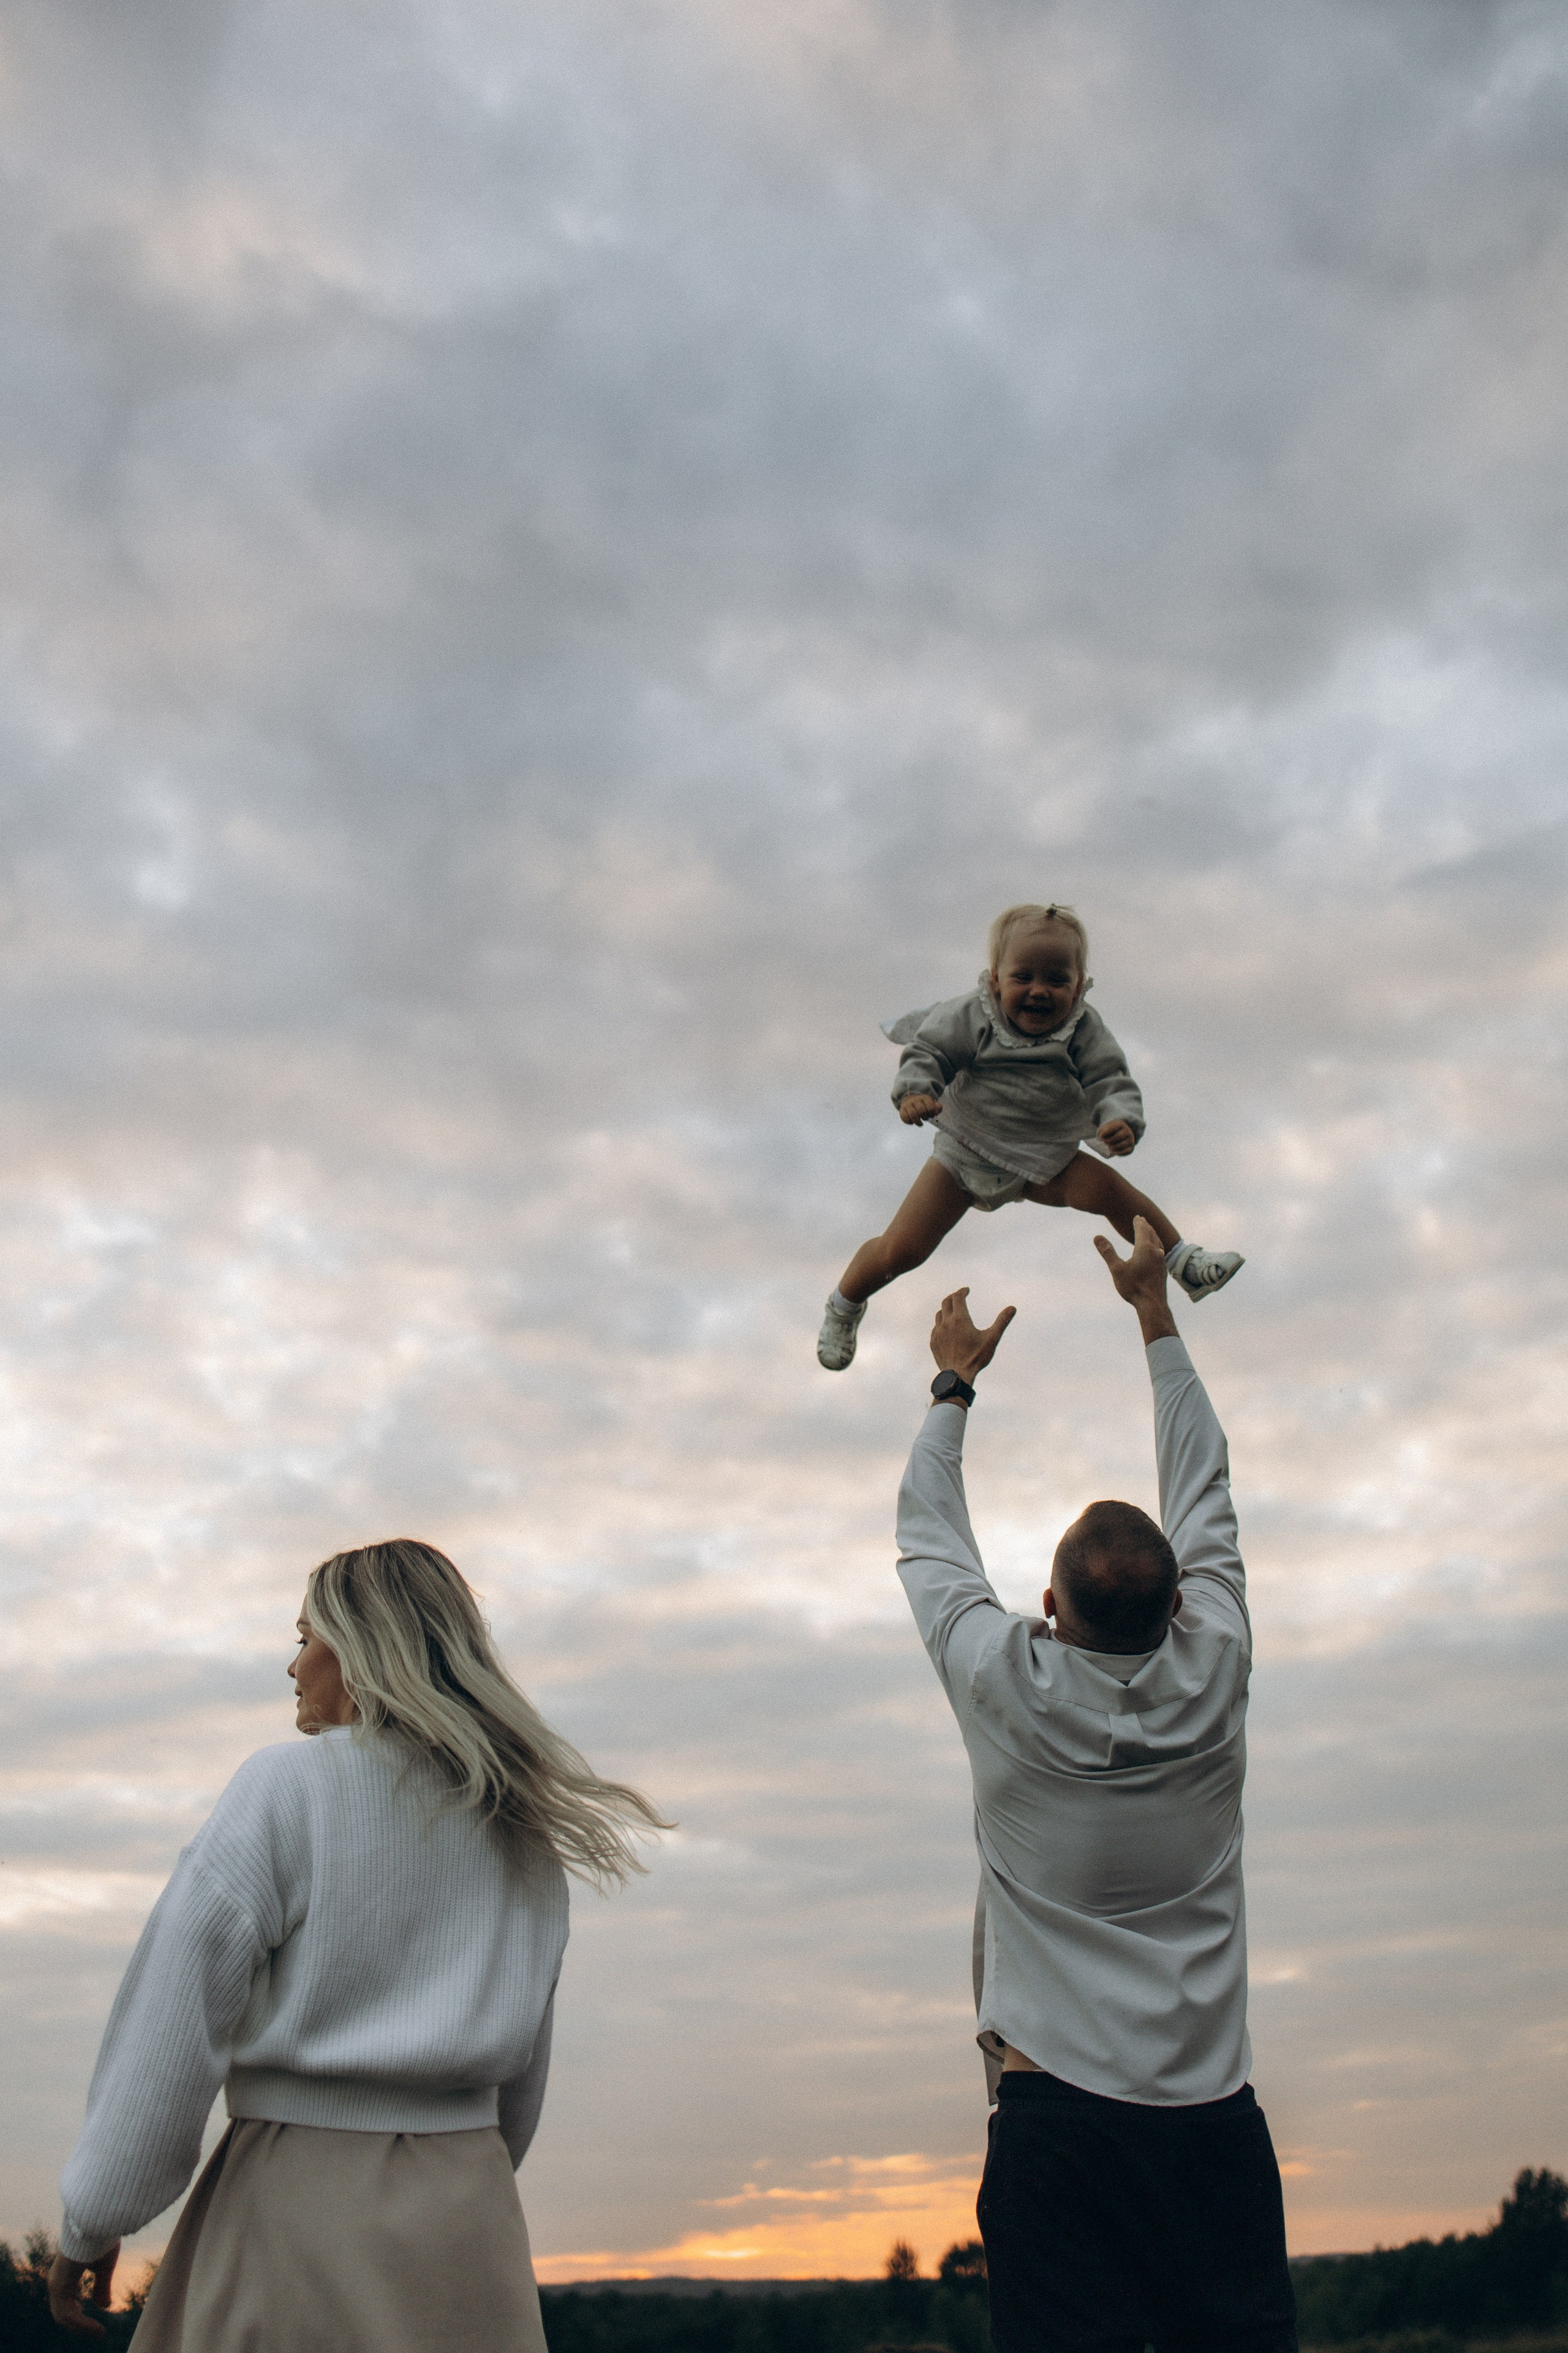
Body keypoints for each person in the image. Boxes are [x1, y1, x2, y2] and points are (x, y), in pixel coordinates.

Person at [48, 1540, 666, 2349]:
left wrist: (93, 2219)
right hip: (468, 2217)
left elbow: (171, 2024)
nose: (293, 1665)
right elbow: (521, 2079)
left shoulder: (286, 1786)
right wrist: (457, 2161)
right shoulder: (518, 1823)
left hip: (294, 2202)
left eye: (306, 1638)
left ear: (363, 1649)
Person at [894, 1223, 1297, 2353]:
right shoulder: (1217, 1662)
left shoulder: (1000, 1680)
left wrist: (953, 1385)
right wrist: (1155, 1312)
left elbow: (929, 1537)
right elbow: (1205, 1484)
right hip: (1212, 2128)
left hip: (1056, 2130)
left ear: (1047, 1606)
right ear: (1180, 1605)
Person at [817, 902, 1243, 1370]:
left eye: (1057, 980)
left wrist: (1120, 1119)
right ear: (996, 979)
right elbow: (930, 1050)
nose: (1040, 990)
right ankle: (844, 1304)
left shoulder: (1083, 1028)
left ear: (1078, 986)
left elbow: (1109, 1078)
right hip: (965, 1152)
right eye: (1024, 977)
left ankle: (1183, 1262)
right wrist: (916, 1091)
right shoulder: (972, 1015)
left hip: (1045, 1157)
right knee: (901, 1250)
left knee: (1112, 1192)